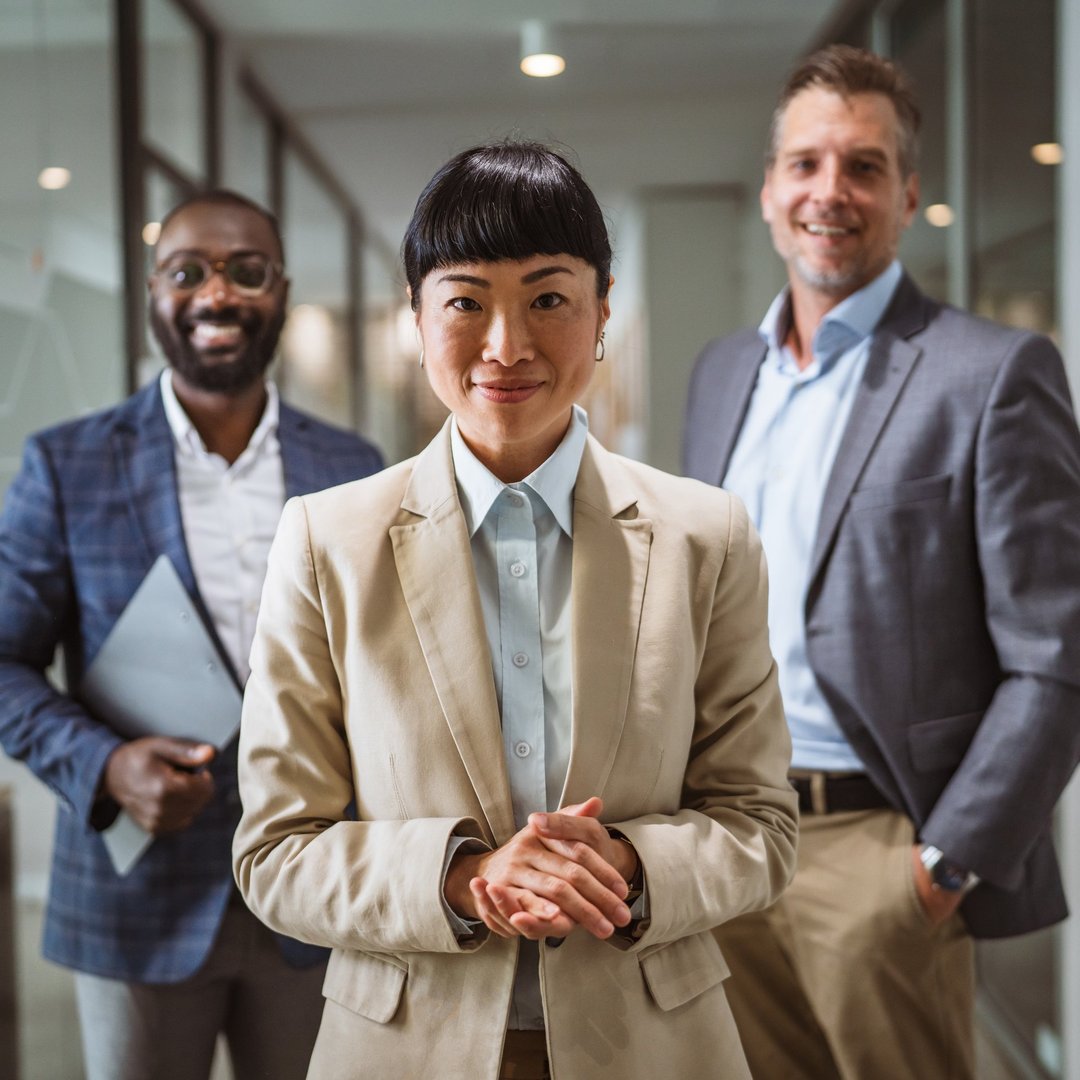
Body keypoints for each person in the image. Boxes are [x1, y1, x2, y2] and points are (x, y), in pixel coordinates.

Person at [232, 142, 798, 1080]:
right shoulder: (328, 542)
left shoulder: (707, 537)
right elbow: (275, 852)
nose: (507, 346)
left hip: (654, 1045)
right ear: (416, 319)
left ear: (602, 312)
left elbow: (760, 827)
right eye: (464, 302)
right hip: (405, 1046)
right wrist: (461, 880)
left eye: (547, 298)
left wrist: (625, 866)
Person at [683, 44, 1080, 1080]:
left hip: (879, 849)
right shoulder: (723, 373)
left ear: (907, 197)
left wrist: (941, 867)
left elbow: (1056, 655)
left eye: (863, 167)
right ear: (770, 191)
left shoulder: (991, 376)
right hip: (729, 839)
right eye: (806, 164)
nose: (831, 191)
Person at [0, 189, 383, 1080]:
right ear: (154, 293)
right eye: (189, 272)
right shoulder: (68, 464)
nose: (217, 294)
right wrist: (102, 766)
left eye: (246, 272)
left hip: (317, 892)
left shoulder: (353, 469)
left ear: (280, 292)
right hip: (138, 896)